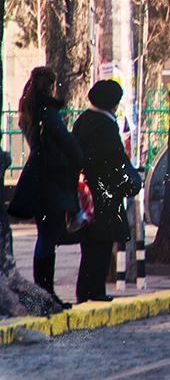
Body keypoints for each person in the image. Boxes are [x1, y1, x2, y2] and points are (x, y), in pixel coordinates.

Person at [9, 66, 83, 309]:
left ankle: (44, 290)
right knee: (49, 236)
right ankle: (46, 292)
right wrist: (81, 159)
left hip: (37, 177)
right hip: (53, 179)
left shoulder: (27, 109)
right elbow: (66, 141)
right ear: (51, 85)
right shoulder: (47, 111)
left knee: (45, 236)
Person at [72, 80, 140, 303]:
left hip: (89, 194)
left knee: (89, 245)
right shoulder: (104, 125)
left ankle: (87, 290)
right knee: (101, 243)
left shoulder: (84, 120)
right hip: (104, 193)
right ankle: (94, 290)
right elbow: (109, 158)